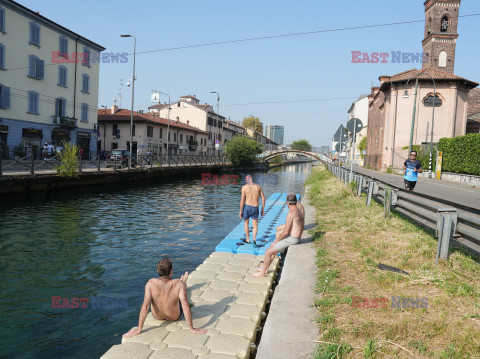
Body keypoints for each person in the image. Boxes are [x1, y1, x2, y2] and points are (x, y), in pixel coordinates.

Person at [123, 257, 207, 338]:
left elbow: (145, 307)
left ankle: (184, 281)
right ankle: (184, 281)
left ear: (157, 271)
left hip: (157, 316)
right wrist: (192, 329)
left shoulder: (150, 283)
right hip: (174, 317)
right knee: (181, 291)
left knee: (178, 288)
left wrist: (139, 329)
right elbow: (185, 306)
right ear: (171, 271)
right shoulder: (178, 283)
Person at [253, 193, 304, 278]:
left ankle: (262, 273)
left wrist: (276, 241)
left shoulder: (291, 213)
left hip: (292, 239)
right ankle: (264, 269)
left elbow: (285, 232)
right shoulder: (298, 210)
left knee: (268, 252)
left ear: (287, 203)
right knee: (273, 251)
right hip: (295, 237)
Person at [239, 174, 266, 245]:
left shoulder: (244, 187)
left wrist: (240, 210)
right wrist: (263, 209)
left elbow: (242, 200)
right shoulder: (258, 187)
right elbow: (263, 198)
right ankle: (254, 239)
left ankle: (248, 239)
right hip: (255, 207)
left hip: (247, 207)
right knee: (255, 224)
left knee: (246, 223)